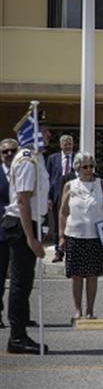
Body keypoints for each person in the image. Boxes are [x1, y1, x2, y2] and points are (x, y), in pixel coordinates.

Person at [2, 113, 51, 353]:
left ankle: (19, 334)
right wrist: (31, 238)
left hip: (29, 222)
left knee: (25, 282)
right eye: (44, 130)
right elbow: (22, 201)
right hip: (21, 225)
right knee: (21, 284)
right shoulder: (27, 159)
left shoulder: (37, 158)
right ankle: (17, 336)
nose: (48, 134)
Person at [58, 152, 103, 322]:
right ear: (77, 168)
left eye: (91, 166)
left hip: (96, 236)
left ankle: (90, 310)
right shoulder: (70, 185)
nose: (89, 170)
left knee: (93, 274)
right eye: (85, 166)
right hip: (74, 234)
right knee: (77, 274)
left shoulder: (101, 184)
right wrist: (61, 236)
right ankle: (77, 310)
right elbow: (63, 212)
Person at [46, 133, 76, 262]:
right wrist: (48, 197)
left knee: (73, 223)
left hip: (74, 194)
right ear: (60, 145)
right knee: (59, 223)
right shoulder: (53, 159)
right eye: (65, 144)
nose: (67, 146)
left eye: (69, 143)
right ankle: (59, 252)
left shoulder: (77, 158)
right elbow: (47, 178)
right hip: (57, 193)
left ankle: (72, 253)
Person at [0, 138, 16, 329]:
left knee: (21, 278)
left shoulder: (22, 172)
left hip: (20, 231)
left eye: (13, 151)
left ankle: (19, 315)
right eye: (5, 152)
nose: (9, 154)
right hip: (2, 232)